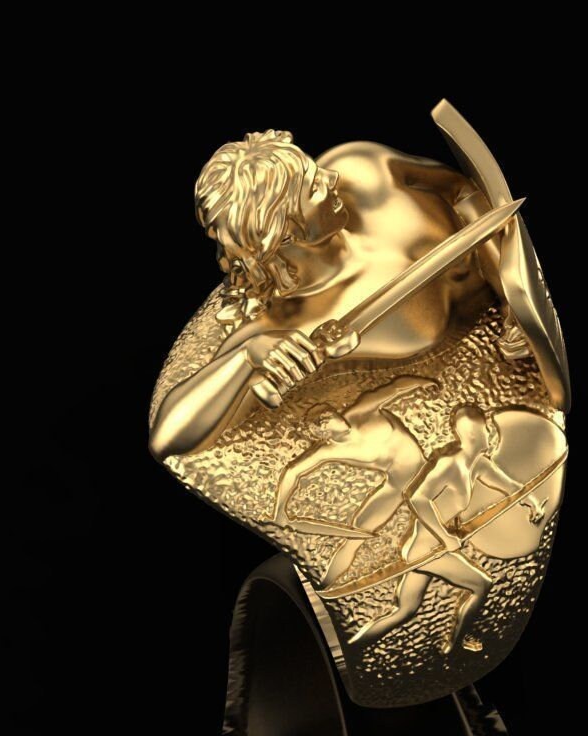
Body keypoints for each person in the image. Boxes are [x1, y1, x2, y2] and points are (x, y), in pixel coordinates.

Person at [148, 129, 486, 462]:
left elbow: (466, 191)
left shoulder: (359, 169)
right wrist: (245, 358)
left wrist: (508, 279)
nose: (331, 177)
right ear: (281, 234)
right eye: (313, 187)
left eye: (315, 172)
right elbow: (166, 438)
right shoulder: (287, 325)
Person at [348, 405, 544, 655]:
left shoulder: (478, 465)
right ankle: (456, 644)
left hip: (431, 550)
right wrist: (445, 537)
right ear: (472, 433)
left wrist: (531, 501)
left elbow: (509, 486)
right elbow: (418, 499)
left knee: (404, 610)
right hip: (426, 551)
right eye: (485, 429)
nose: (489, 433)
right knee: (482, 584)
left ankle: (352, 648)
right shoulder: (449, 464)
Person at [273, 376, 436, 588]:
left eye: (330, 411)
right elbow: (292, 472)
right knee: (357, 534)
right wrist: (279, 512)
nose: (334, 414)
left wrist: (421, 382)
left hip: (429, 472)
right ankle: (326, 586)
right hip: (399, 485)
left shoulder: (362, 410)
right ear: (322, 430)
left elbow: (394, 387)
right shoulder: (328, 450)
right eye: (325, 417)